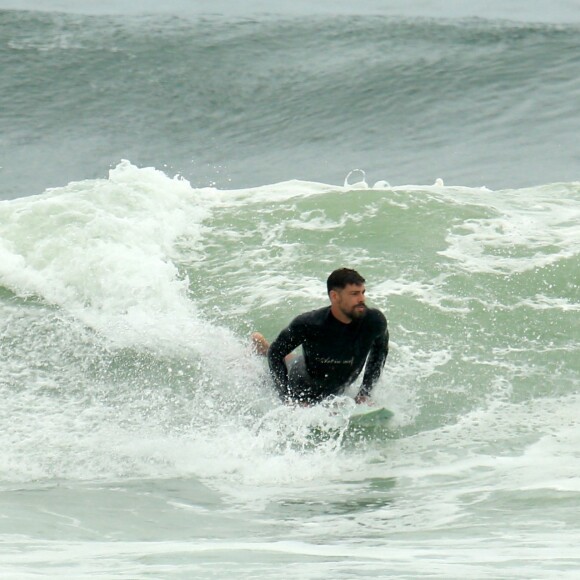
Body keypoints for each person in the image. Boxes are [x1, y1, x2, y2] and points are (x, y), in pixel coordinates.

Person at [252, 268, 389, 405]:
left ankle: (264, 348)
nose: (361, 299)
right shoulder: (309, 324)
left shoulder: (374, 321)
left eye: (362, 293)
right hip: (302, 386)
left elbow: (379, 354)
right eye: (354, 294)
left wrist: (365, 393)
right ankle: (262, 350)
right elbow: (275, 353)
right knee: (270, 372)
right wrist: (287, 399)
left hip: (331, 381)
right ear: (335, 296)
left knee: (292, 358)